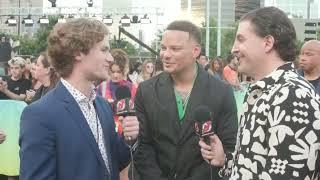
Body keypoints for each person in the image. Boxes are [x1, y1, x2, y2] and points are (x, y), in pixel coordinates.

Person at [199, 7, 320, 179]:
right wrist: (225, 160)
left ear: (268, 43)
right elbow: (255, 165)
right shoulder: (266, 91)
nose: (234, 48)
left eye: (241, 40)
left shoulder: (292, 95)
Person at [19, 18, 139, 180]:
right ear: (78, 53)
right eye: (104, 50)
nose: (110, 58)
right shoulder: (40, 114)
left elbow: (112, 163)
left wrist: (129, 139)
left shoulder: (103, 106)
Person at [133, 20, 238, 180]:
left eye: (175, 49)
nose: (165, 54)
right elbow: (143, 145)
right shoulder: (146, 90)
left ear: (195, 51)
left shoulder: (222, 92)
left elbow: (229, 146)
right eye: (163, 48)